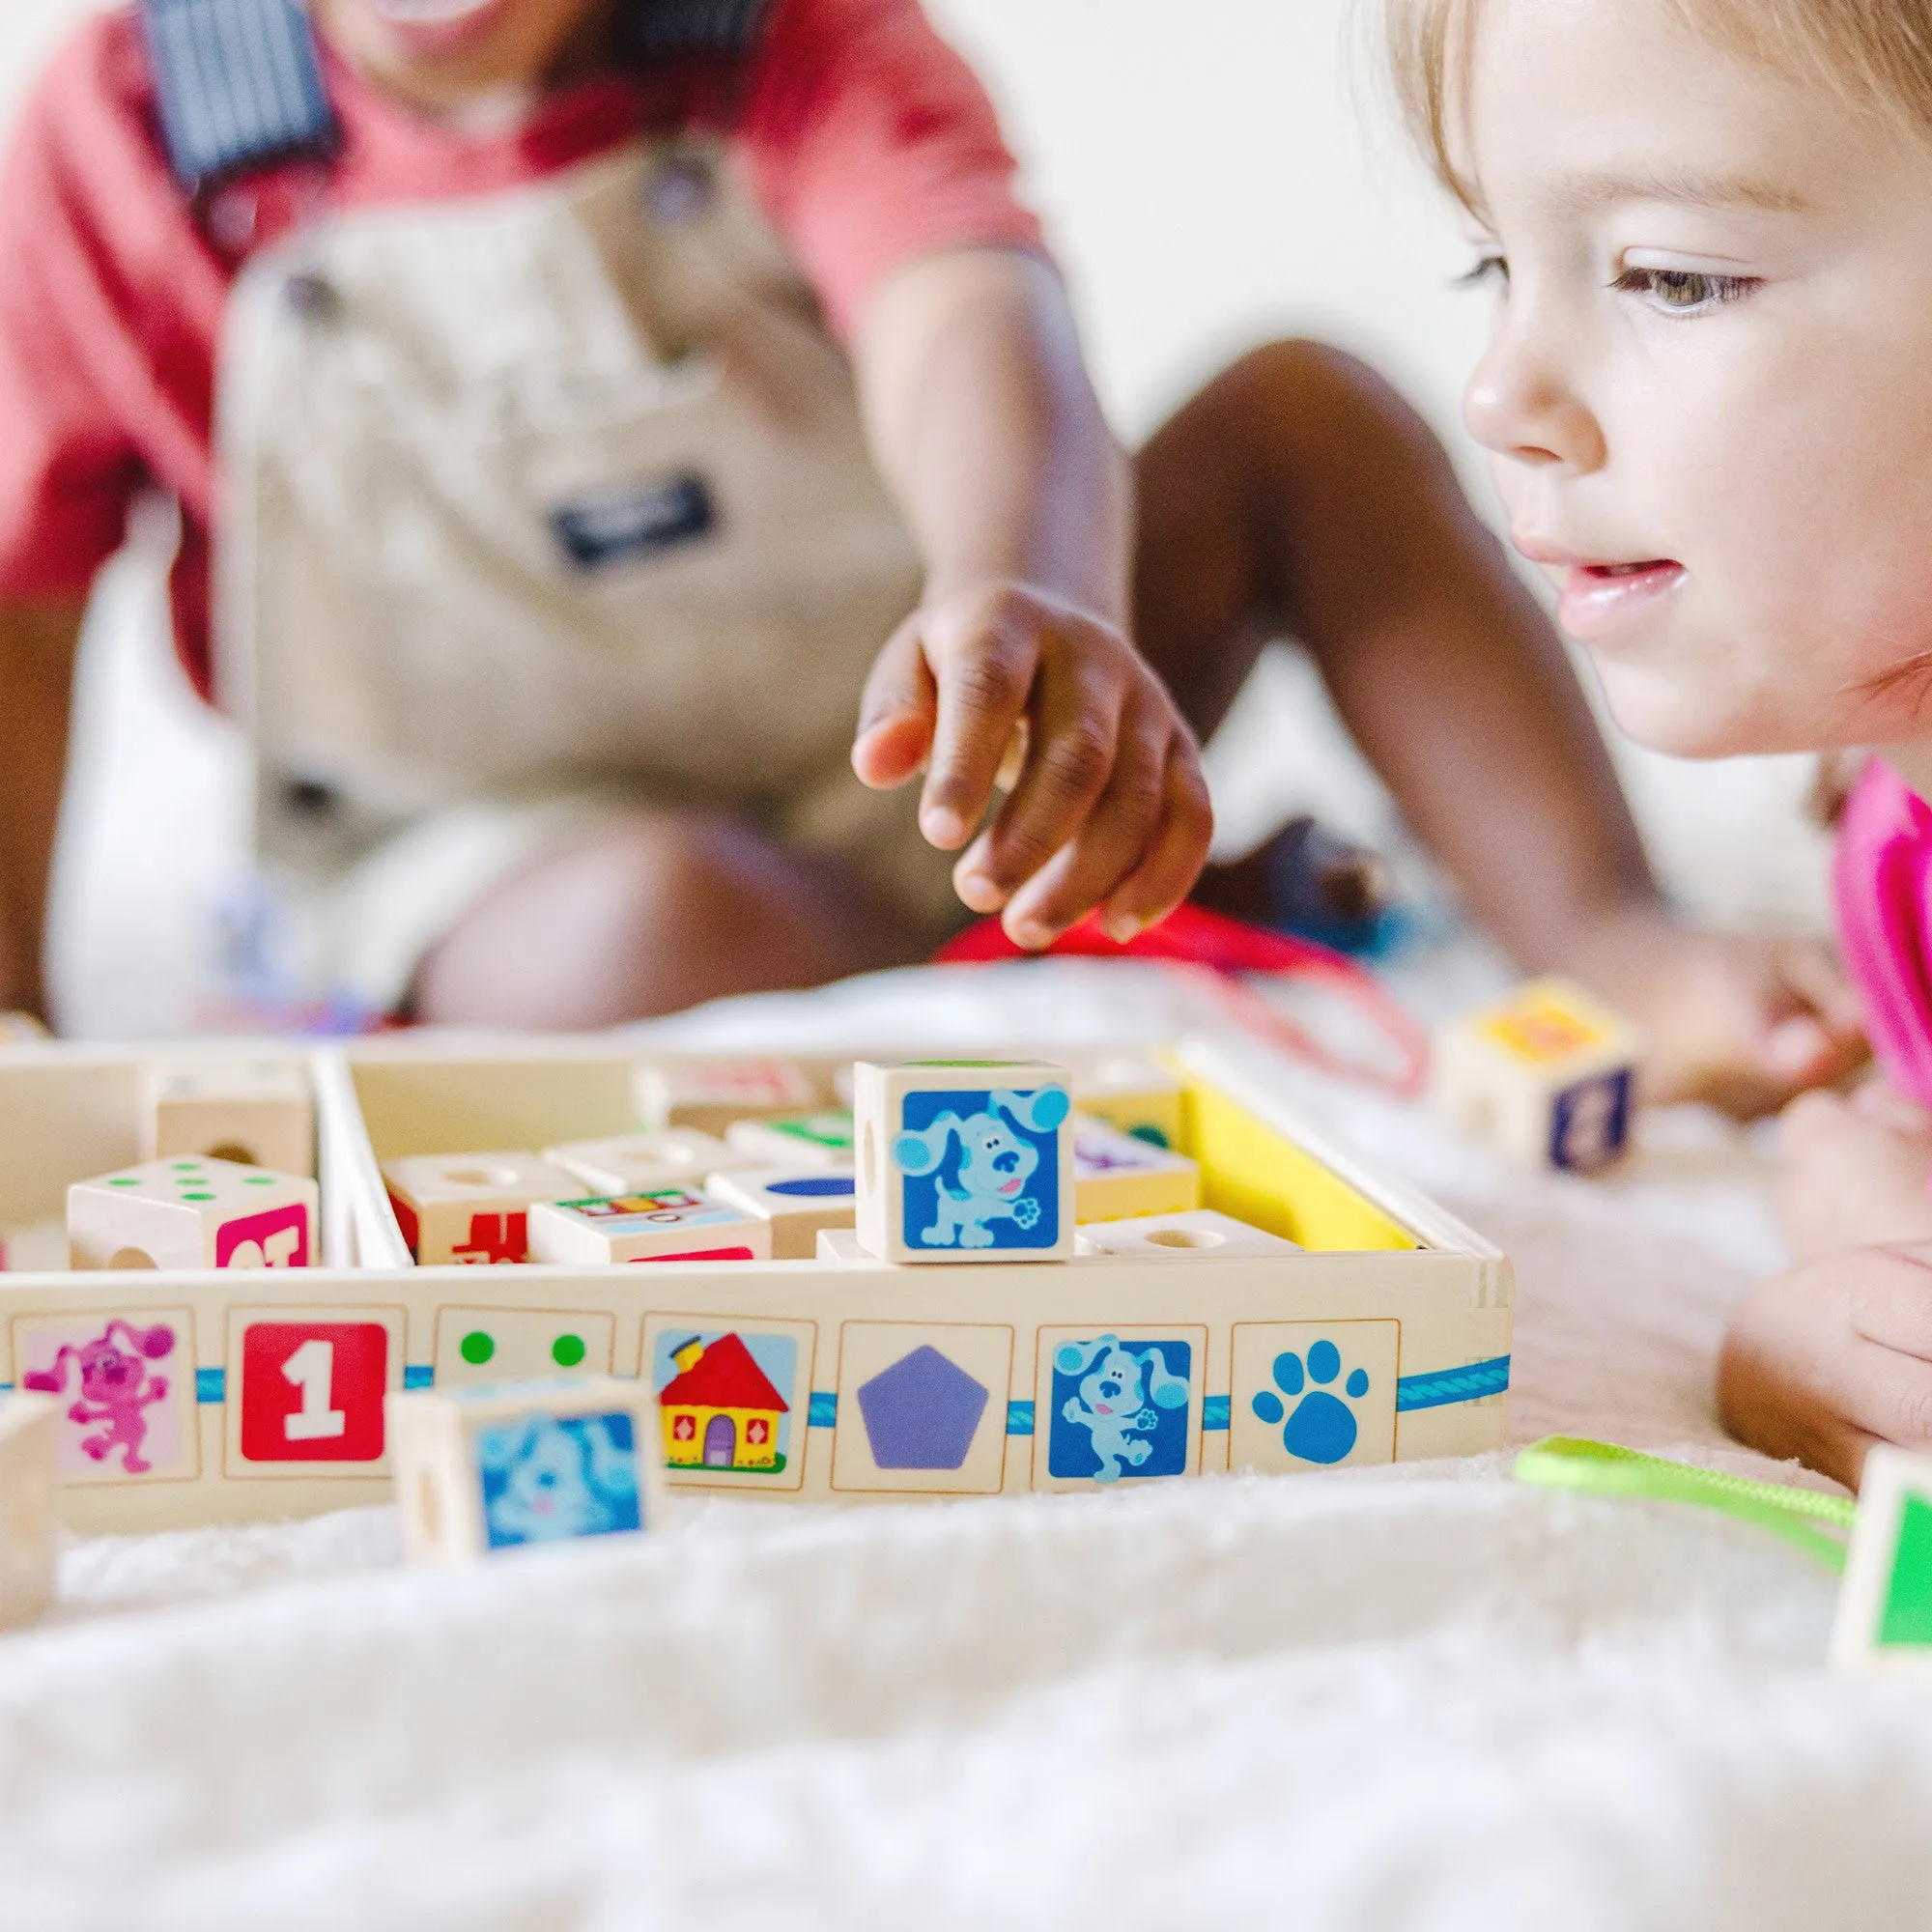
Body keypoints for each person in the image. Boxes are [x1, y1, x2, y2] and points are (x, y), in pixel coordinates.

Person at [0, 0, 1860, 1117]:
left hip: (951, 719)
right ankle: (1096, 930)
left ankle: (1604, 928)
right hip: (504, 846)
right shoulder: (128, 126)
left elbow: (972, 316)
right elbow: (21, 604)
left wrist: (1026, 587)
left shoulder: (792, 40)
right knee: (662, 924)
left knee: (1310, 416)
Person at [1383, 0, 1932, 1485]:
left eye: (1673, 278)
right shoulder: (1896, 827)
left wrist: (1822, 1313)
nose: (1500, 395)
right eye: (1495, 261)